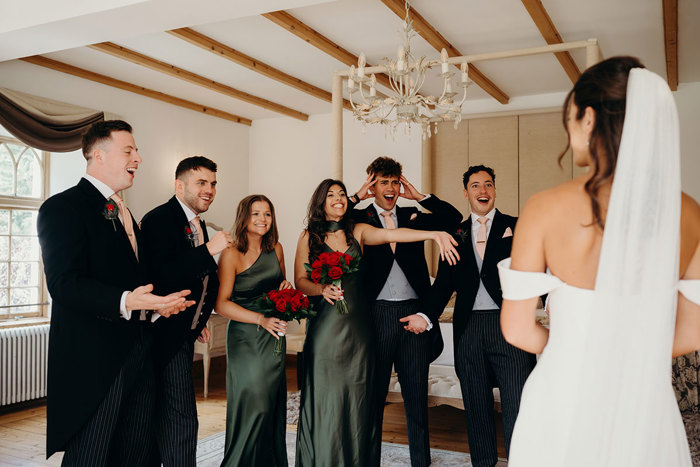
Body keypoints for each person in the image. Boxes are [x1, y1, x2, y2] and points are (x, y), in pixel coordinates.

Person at [498, 56, 700, 466]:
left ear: (588, 119)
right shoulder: (690, 213)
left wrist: (572, 351)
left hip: (563, 395)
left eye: (569, 116)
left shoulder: (543, 208)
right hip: (645, 400)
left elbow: (518, 329)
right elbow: (692, 334)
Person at [37, 120, 193, 464]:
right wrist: (126, 301)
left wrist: (155, 307)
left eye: (136, 150)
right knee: (91, 455)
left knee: (135, 451)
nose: (138, 157)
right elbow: (63, 284)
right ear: (97, 155)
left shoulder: (123, 210)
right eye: (129, 150)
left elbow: (132, 279)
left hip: (139, 349)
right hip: (96, 360)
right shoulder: (63, 208)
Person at [294, 179, 460, 467]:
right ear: (320, 201)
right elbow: (300, 281)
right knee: (328, 391)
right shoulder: (309, 236)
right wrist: (321, 289)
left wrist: (434, 234)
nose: (338, 199)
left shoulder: (357, 231)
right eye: (331, 195)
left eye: (342, 195)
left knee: (359, 394)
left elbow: (391, 235)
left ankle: (358, 458)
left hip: (359, 326)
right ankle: (324, 455)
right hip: (327, 327)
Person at [347, 156, 462, 467]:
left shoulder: (414, 214)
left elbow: (453, 218)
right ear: (373, 183)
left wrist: (419, 195)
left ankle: (420, 461)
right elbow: (327, 217)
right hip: (377, 315)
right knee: (374, 397)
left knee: (415, 398)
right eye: (383, 182)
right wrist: (358, 195)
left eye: (394, 182)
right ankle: (368, 459)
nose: (390, 188)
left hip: (414, 314)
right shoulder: (358, 218)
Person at [426, 165, 536, 467]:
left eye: (488, 184)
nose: (482, 191)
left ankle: (521, 461)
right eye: (475, 186)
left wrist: (553, 300)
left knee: (517, 403)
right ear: (466, 192)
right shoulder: (454, 234)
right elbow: (442, 286)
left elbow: (536, 269)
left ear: (495, 190)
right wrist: (425, 315)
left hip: (510, 325)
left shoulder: (517, 225)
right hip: (469, 330)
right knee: (476, 406)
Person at [139, 156, 231, 466]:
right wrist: (210, 249)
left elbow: (198, 279)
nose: (210, 190)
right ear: (179, 185)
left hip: (182, 329)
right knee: (181, 418)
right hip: (160, 333)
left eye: (213, 183)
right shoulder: (159, 220)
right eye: (202, 183)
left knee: (166, 415)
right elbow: (164, 274)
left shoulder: (197, 223)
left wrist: (199, 317)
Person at [215, 194, 291, 467]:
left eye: (267, 214)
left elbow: (281, 284)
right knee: (254, 403)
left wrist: (285, 288)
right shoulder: (231, 253)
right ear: (244, 218)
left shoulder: (277, 249)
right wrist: (260, 319)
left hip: (274, 336)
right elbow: (222, 304)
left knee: (270, 403)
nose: (262, 219)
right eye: (256, 214)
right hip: (246, 337)